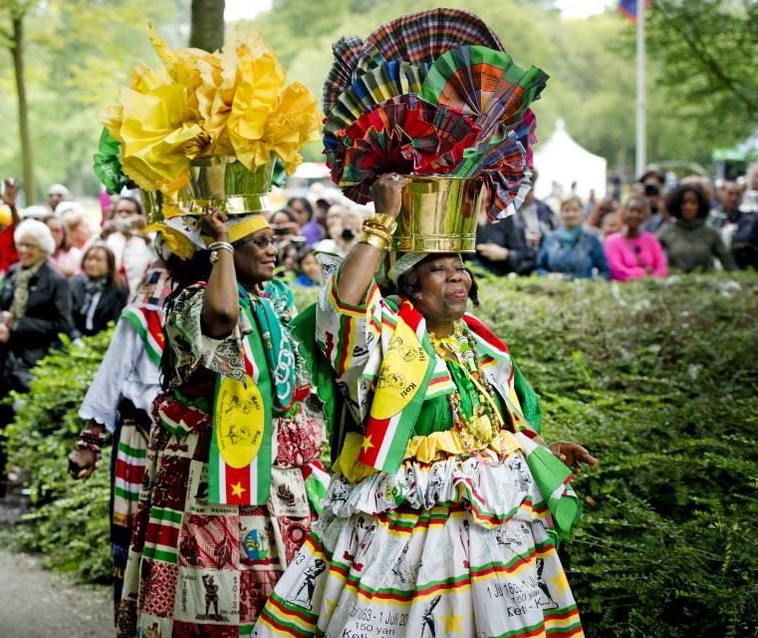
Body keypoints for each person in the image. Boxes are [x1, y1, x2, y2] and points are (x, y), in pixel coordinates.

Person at [253, 174, 597, 638]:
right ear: (409, 286)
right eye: (437, 268)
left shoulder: (479, 342)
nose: (457, 275)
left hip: (493, 529)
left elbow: (493, 424)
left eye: (459, 266)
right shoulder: (387, 341)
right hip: (405, 529)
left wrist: (544, 452)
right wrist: (383, 221)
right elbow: (343, 306)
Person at [118, 211, 325, 637]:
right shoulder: (193, 301)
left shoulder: (272, 303)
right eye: (260, 243)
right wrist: (224, 242)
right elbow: (223, 317)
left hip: (273, 469)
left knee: (279, 572)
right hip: (206, 469)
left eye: (273, 240)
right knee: (209, 575)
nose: (273, 250)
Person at [69, 260, 172, 617]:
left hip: (199, 444)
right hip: (141, 438)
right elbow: (112, 374)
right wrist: (90, 441)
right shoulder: (144, 315)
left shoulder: (232, 308)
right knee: (139, 539)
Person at [0, 219, 73, 499]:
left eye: (30, 245)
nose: (24, 250)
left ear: (43, 248)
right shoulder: (13, 273)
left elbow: (62, 327)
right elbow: (4, 309)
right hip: (9, 358)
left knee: (38, 424)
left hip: (37, 361)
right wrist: (2, 323)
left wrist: (18, 325)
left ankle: (41, 492)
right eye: (21, 244)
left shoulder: (56, 280)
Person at [657, 184, 735, 272]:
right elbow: (651, 258)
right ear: (677, 205)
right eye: (684, 203)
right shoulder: (666, 232)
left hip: (705, 283)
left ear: (700, 205)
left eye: (693, 203)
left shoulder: (711, 234)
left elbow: (729, 265)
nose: (688, 207)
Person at [536, 196, 610, 279]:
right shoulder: (551, 239)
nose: (571, 214)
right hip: (554, 288)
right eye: (567, 210)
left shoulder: (591, 239)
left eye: (575, 210)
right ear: (560, 213)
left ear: (582, 212)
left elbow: (604, 271)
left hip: (583, 289)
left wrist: (594, 285)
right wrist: (548, 277)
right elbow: (540, 267)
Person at [604, 195, 667, 281]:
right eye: (631, 210)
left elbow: (661, 268)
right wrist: (643, 273)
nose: (635, 215)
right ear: (624, 212)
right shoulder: (611, 242)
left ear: (645, 215)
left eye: (639, 211)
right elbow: (617, 271)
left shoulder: (651, 240)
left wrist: (651, 279)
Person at [103, 196, 155, 300]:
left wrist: (145, 235)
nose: (123, 215)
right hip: (112, 300)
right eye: (119, 211)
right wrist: (102, 235)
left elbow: (161, 261)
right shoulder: (109, 238)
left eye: (129, 212)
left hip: (141, 299)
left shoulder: (149, 238)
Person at [70, 244, 128, 337]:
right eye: (89, 259)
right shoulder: (73, 284)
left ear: (109, 264)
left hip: (103, 341)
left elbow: (116, 321)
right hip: (73, 339)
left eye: (98, 260)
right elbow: (67, 317)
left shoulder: (118, 289)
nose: (92, 263)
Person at [473, 211, 536, 276]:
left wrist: (505, 254)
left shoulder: (504, 216)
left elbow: (521, 254)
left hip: (498, 275)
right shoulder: (467, 215)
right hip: (471, 274)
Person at [53, 204, 94, 277]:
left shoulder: (89, 247)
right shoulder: (68, 254)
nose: (89, 230)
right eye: (85, 226)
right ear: (72, 231)